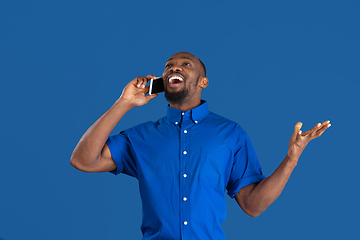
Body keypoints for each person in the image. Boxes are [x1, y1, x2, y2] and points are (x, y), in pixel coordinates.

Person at [70, 52, 330, 240]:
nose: (175, 67)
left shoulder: (230, 134)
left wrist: (291, 159)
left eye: (186, 64)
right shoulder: (142, 137)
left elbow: (253, 205)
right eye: (169, 65)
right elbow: (83, 160)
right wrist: (124, 102)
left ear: (203, 82)